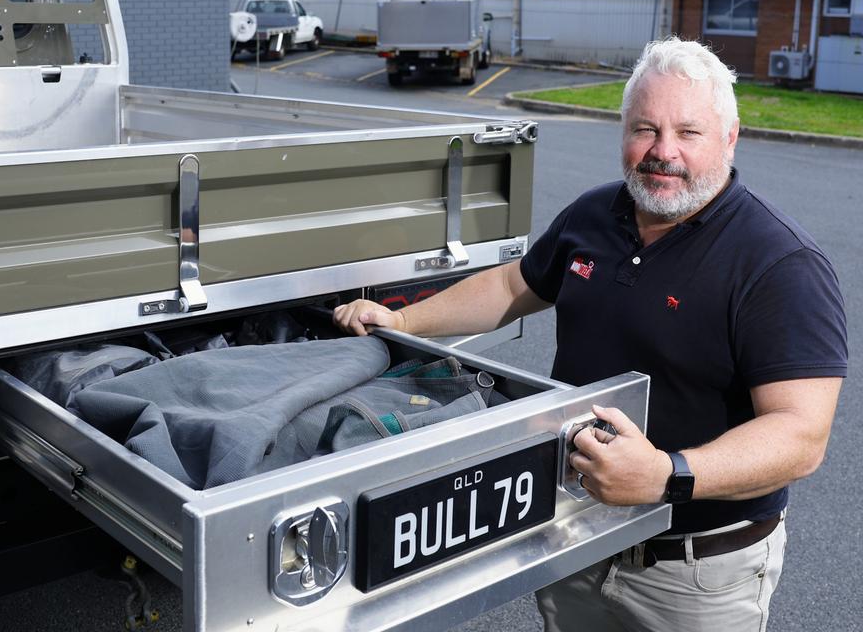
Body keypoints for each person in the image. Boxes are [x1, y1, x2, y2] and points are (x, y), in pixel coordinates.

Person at [332, 37, 847, 632]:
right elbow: (509, 289)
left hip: (693, 573)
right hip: (575, 534)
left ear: (730, 139)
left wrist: (666, 474)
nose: (662, 152)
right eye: (644, 129)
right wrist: (402, 321)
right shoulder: (595, 215)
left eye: (689, 132)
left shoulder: (778, 263)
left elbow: (800, 436)